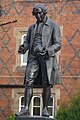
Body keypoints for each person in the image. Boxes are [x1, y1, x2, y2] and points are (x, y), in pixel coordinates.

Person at [15, 3, 61, 117]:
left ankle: (45, 109)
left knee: (46, 84)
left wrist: (47, 50)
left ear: (45, 12)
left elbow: (57, 44)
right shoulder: (31, 28)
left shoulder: (53, 26)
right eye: (35, 14)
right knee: (28, 82)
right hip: (33, 58)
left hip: (46, 58)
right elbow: (27, 42)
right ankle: (25, 108)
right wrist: (23, 47)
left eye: (40, 13)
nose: (38, 16)